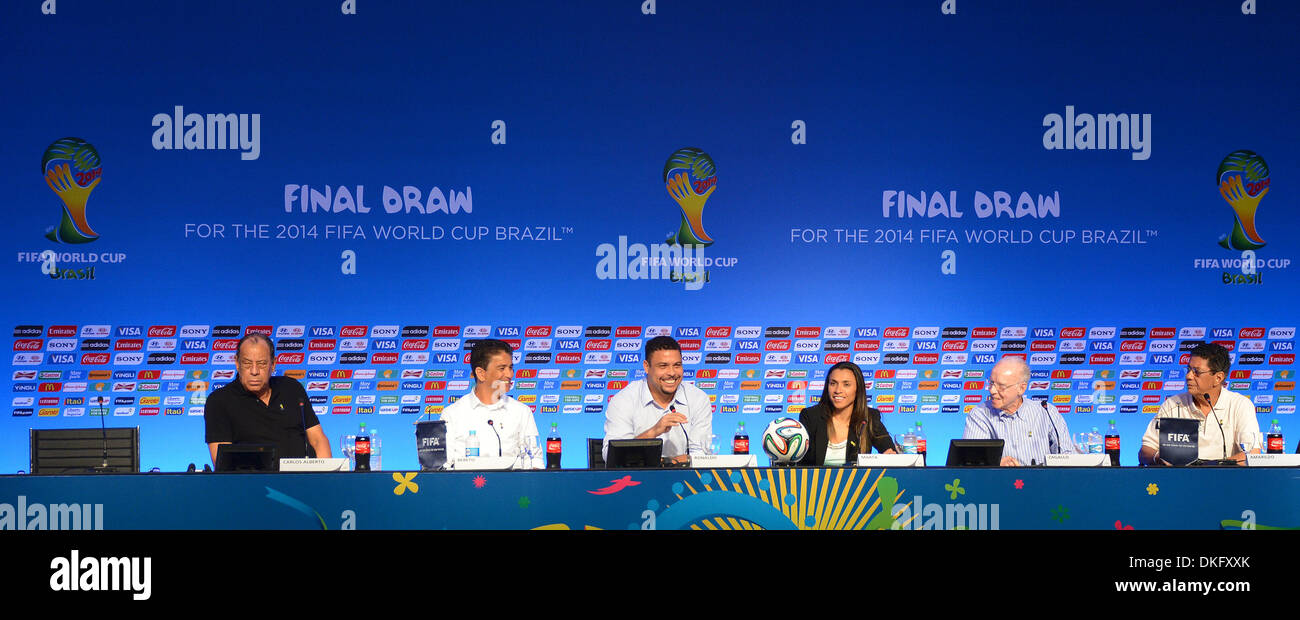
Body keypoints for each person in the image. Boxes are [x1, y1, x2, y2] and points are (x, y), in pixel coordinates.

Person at [204, 333, 331, 464]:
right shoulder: (219, 401)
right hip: (255, 482)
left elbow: (318, 439)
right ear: (237, 363)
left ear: (273, 364)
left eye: (262, 364)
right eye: (247, 364)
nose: (254, 371)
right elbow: (223, 462)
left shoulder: (292, 388)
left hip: (306, 478)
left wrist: (325, 477)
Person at [1138, 343, 1261, 465]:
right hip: (1180, 480)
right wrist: (1158, 457)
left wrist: (1209, 469)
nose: (1188, 376)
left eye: (1196, 372)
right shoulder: (1172, 404)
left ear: (1218, 378)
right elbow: (1145, 450)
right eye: (1189, 370)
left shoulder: (1240, 405)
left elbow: (1251, 454)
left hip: (1224, 480)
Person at [603, 336, 712, 464]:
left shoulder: (698, 398)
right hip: (636, 479)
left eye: (677, 365)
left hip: (684, 480)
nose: (672, 373)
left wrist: (668, 462)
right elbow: (611, 456)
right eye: (663, 366)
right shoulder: (624, 400)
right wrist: (653, 432)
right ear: (646, 367)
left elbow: (700, 454)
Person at [441, 339, 544, 468]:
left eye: (511, 367)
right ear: (481, 374)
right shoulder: (452, 414)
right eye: (502, 368)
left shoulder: (521, 411)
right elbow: (444, 467)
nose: (510, 374)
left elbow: (535, 460)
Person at [963, 356, 1078, 466]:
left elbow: (1067, 455)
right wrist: (994, 464)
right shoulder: (980, 414)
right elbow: (971, 461)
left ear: (1021, 388)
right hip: (999, 483)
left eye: (1001, 386)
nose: (992, 390)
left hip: (1043, 483)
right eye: (991, 383)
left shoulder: (1046, 412)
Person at [797, 361, 895, 466]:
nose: (838, 390)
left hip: (857, 482)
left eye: (846, 384)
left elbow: (891, 453)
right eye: (833, 383)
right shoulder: (811, 416)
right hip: (815, 481)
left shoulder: (869, 417)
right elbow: (800, 461)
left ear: (857, 389)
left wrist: (889, 457)